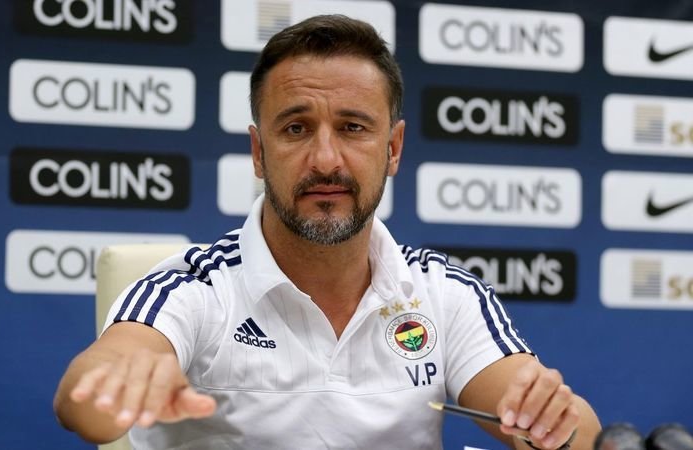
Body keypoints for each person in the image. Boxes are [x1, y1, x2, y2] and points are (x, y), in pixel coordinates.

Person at [54, 15, 601, 449]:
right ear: (258, 152)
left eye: (352, 128)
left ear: (393, 149)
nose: (325, 159)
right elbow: (88, 400)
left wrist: (550, 420)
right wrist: (114, 380)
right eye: (296, 128)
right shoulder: (191, 288)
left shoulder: (446, 293)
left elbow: (569, 432)